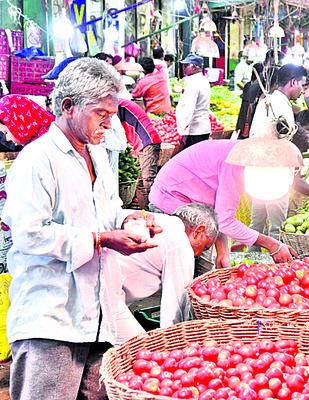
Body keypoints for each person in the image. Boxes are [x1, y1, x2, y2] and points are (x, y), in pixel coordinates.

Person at [1, 58, 162, 400]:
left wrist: (127, 221)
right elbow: (30, 233)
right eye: (101, 112)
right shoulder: (37, 160)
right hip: (51, 317)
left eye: (113, 112)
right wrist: (101, 239)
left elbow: (106, 211)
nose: (110, 121)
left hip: (97, 312)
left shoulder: (97, 154)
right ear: (68, 106)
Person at [149, 139, 303, 269]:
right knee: (185, 271)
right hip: (171, 200)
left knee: (202, 271)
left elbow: (219, 213)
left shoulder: (248, 161)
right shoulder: (237, 162)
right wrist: (272, 245)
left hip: (197, 207)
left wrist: (222, 251)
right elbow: (223, 220)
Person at [117, 204, 219, 343]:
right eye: (205, 247)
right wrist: (176, 345)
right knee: (142, 350)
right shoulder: (181, 245)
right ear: (198, 232)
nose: (200, 254)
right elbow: (175, 308)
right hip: (105, 294)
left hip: (104, 286)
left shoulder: (165, 222)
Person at [117, 98, 163, 210]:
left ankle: (157, 211)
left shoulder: (116, 105)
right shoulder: (118, 104)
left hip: (147, 142)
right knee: (141, 184)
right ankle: (146, 212)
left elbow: (114, 130)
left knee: (148, 180)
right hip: (141, 145)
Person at [176, 54, 211, 149]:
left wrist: (182, 131)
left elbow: (188, 108)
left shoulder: (193, 83)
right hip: (203, 128)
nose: (183, 68)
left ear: (194, 67)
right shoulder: (204, 80)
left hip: (194, 131)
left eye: (186, 65)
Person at [235, 62, 263, 138]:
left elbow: (243, 108)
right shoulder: (259, 87)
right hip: (249, 123)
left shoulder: (248, 85)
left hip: (244, 123)